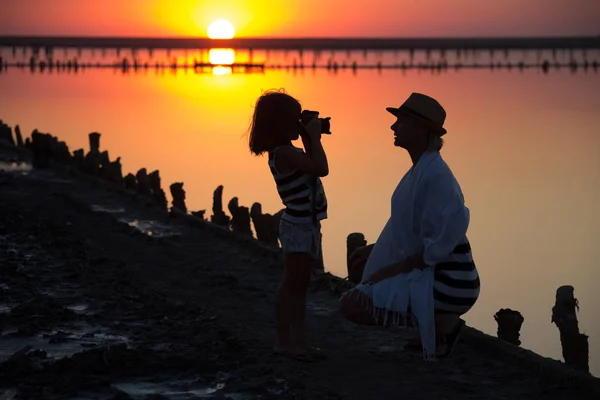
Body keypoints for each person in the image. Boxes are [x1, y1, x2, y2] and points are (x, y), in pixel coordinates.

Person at [339, 93, 480, 360]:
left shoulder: (436, 176)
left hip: (452, 282)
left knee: (353, 304)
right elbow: (407, 228)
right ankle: (438, 327)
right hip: (439, 275)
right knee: (361, 287)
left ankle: (443, 326)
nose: (393, 127)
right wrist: (373, 250)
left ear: (421, 129)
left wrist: (385, 271)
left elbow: (433, 251)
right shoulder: (422, 170)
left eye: (401, 121)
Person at [248, 89, 329, 362]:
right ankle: (285, 342)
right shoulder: (283, 153)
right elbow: (321, 167)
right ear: (280, 123)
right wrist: (313, 137)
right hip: (298, 226)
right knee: (292, 285)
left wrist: (309, 137)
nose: (299, 123)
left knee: (299, 286)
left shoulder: (289, 151)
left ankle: (301, 342)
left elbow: (313, 164)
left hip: (306, 224)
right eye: (295, 119)